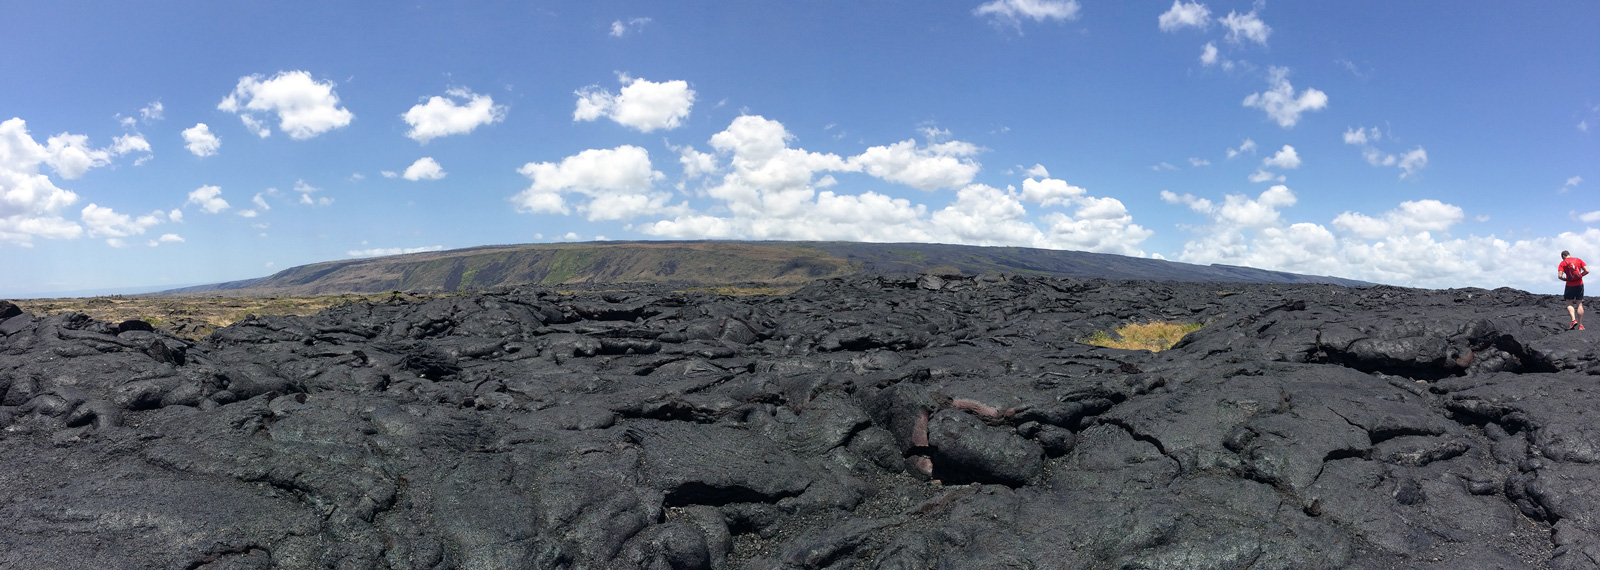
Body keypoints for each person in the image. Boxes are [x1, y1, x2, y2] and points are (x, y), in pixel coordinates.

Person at [1559, 250, 1588, 330]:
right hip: (1579, 284)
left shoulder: (1563, 263)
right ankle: (1581, 325)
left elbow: (1560, 276)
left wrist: (1566, 279)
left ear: (1563, 256)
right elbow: (1587, 271)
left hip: (1569, 285)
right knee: (1579, 303)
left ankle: (1573, 320)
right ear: (1569, 254)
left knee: (1569, 302)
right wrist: (1580, 276)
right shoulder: (1578, 260)